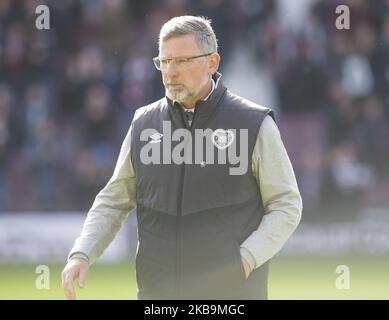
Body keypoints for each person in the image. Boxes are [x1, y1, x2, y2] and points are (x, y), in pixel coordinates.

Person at [62, 15, 302, 300]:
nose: (170, 72)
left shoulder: (254, 123)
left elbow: (286, 204)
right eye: (164, 62)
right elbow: (114, 199)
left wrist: (246, 259)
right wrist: (83, 251)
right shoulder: (143, 123)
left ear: (212, 63)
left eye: (182, 61)